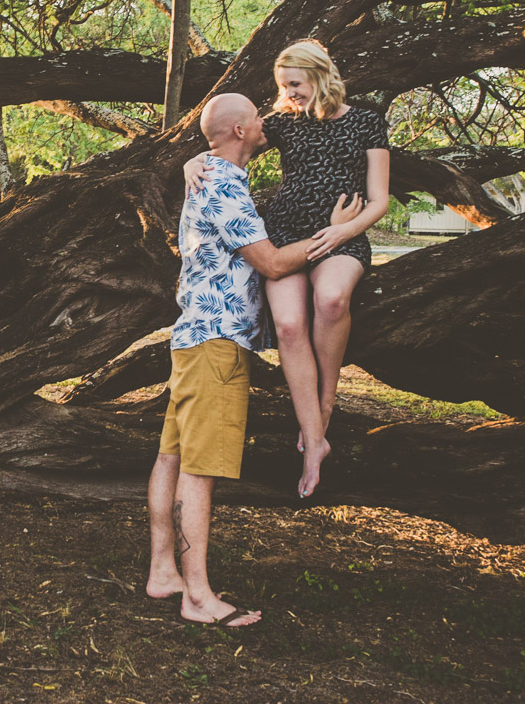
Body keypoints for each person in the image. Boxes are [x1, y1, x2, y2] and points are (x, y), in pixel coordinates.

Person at [147, 92, 363, 627]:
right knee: (200, 468)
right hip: (217, 342)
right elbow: (269, 262)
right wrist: (333, 235)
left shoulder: (214, 175)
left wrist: (193, 157)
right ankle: (197, 596)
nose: (267, 122)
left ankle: (163, 571)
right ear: (241, 131)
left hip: (194, 337)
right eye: (257, 118)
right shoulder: (222, 186)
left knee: (173, 456)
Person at [186, 40, 390, 496]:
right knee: (290, 325)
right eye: (283, 86)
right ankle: (313, 441)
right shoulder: (284, 124)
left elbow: (380, 199)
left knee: (332, 299)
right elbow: (227, 142)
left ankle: (324, 407)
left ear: (320, 75)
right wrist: (191, 161)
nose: (289, 93)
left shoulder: (367, 121)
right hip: (285, 233)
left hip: (340, 235)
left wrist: (344, 232)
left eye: (294, 84)